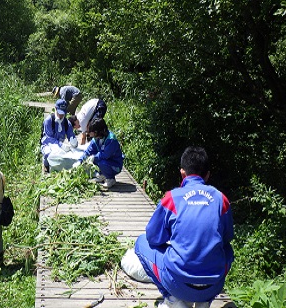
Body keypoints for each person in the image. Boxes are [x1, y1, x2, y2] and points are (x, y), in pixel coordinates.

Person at [133, 146, 234, 308]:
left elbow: (152, 238)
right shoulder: (221, 200)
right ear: (207, 175)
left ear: (182, 173)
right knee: (229, 250)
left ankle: (172, 299)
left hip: (178, 284)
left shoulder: (172, 198)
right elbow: (227, 238)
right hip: (212, 285)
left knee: (140, 242)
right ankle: (205, 301)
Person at [72, 118, 123, 188]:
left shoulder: (111, 140)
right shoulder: (96, 139)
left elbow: (105, 155)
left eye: (91, 132)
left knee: (101, 162)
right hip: (106, 162)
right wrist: (80, 161)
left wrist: (93, 157)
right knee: (93, 159)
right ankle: (102, 175)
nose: (89, 134)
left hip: (115, 165)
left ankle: (111, 179)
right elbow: (88, 152)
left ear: (96, 131)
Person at [41, 99, 78, 173]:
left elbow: (71, 135)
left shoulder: (67, 123)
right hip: (48, 145)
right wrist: (60, 145)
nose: (61, 115)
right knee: (49, 154)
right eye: (59, 113)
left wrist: (74, 142)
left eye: (63, 113)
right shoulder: (49, 121)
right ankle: (46, 166)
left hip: (60, 147)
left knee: (67, 156)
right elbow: (48, 139)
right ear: (55, 109)